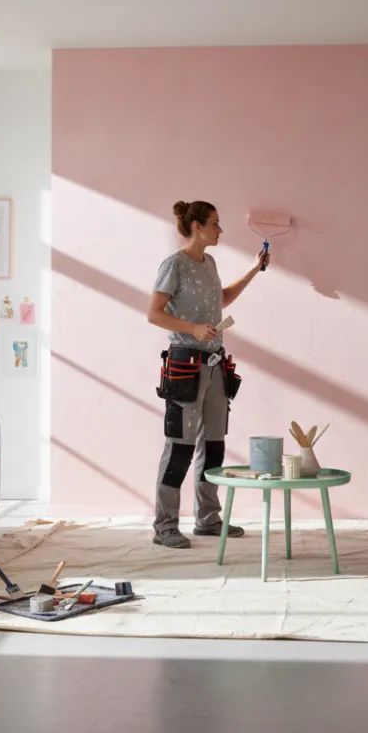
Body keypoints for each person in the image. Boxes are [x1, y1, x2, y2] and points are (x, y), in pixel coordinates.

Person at [147, 200, 270, 548]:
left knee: (214, 445)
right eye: (215, 223)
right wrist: (193, 328)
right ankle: (166, 526)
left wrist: (253, 269)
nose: (220, 230)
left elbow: (223, 299)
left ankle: (208, 519)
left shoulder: (210, 263)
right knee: (180, 447)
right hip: (185, 365)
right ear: (197, 226)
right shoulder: (174, 265)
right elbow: (154, 313)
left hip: (215, 365)